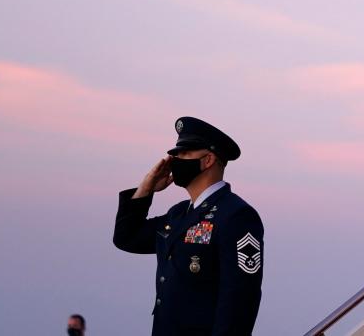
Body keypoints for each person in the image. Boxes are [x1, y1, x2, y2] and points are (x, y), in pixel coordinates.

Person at [113, 117, 264, 335]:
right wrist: (146, 187)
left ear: (208, 160)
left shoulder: (236, 215)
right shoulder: (178, 214)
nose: (174, 159)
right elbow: (127, 237)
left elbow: (240, 298)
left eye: (184, 154)